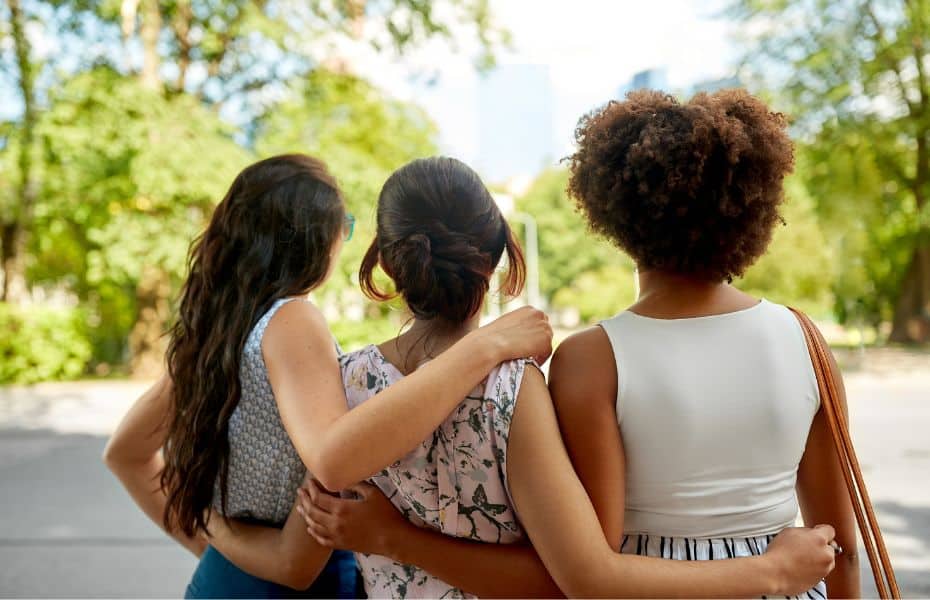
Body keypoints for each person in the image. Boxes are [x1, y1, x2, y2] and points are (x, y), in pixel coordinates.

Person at [208, 156, 839, 598]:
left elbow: (304, 550)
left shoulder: (344, 388)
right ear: (501, 256)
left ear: (386, 264)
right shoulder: (513, 391)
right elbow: (571, 578)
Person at [102, 154, 553, 598]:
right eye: (347, 225)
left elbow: (125, 453)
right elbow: (299, 548)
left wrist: (212, 532)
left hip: (225, 579)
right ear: (322, 240)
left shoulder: (215, 334)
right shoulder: (293, 321)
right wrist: (484, 345)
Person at [544, 89, 859, 598]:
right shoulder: (805, 340)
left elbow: (599, 561)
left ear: (616, 213)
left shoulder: (591, 358)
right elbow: (841, 546)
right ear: (750, 208)